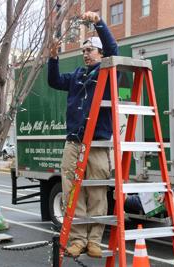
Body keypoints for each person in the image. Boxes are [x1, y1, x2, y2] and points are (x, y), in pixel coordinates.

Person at [47, 11, 118, 258]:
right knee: (71, 191)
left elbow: (113, 49)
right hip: (74, 142)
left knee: (97, 192)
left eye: (90, 50)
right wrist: (53, 59)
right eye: (84, 50)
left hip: (98, 143)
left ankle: (95, 241)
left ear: (101, 53)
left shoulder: (109, 71)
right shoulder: (77, 75)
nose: (85, 53)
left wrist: (98, 23)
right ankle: (77, 239)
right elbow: (54, 81)